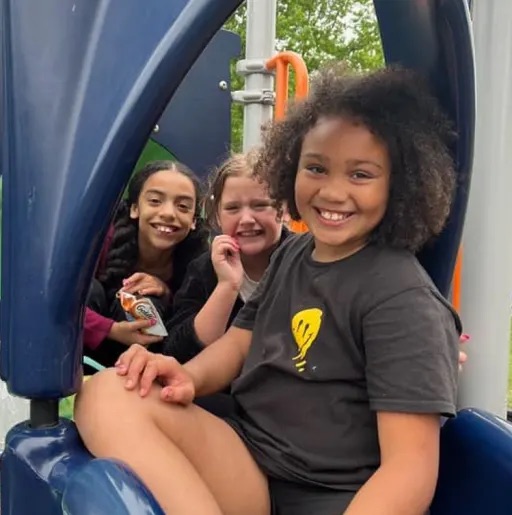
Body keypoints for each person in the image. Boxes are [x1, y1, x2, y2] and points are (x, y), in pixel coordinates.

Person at [75, 65, 463, 515]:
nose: (333, 192)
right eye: (316, 168)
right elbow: (240, 342)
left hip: (327, 496)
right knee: (106, 393)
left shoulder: (401, 296)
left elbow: (409, 469)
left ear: (399, 184)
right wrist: (189, 376)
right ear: (289, 170)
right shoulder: (292, 256)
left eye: (360, 175)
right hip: (251, 462)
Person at [162, 151, 290, 364]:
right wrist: (227, 286)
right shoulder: (204, 270)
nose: (247, 219)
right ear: (217, 216)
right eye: (233, 208)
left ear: (284, 210)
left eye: (260, 205)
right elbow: (177, 355)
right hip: (223, 392)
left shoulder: (307, 260)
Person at [84, 160, 209, 369]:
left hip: (151, 357)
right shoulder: (99, 240)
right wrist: (111, 329)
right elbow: (57, 304)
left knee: (141, 302)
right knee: (87, 290)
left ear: (194, 220)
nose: (169, 213)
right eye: (155, 201)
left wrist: (166, 292)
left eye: (183, 206)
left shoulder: (200, 261)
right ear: (135, 208)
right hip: (84, 349)